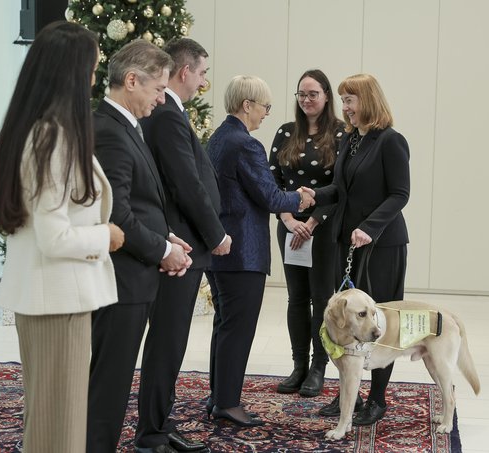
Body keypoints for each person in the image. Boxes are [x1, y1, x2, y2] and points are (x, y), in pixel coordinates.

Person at [0, 21, 125, 453]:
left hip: (52, 298)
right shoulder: (52, 137)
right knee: (58, 431)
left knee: (50, 423)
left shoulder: (41, 131)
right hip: (56, 300)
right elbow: (54, 237)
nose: (95, 80)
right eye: (93, 70)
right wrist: (107, 236)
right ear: (71, 73)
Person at [86, 40, 192, 453]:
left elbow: (137, 203)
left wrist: (165, 237)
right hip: (120, 281)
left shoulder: (125, 126)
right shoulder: (110, 131)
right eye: (157, 88)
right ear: (131, 81)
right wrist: (164, 252)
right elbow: (118, 216)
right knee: (106, 389)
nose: (162, 98)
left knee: (111, 385)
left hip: (132, 276)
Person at [135, 38, 227, 453]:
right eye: (203, 72)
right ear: (185, 71)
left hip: (180, 243)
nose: (204, 81)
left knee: (168, 340)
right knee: (167, 341)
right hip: (180, 246)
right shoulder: (168, 114)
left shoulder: (168, 111)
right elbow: (186, 184)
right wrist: (216, 234)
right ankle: (152, 432)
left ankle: (158, 423)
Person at [206, 75, 315, 427]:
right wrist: (299, 197)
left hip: (221, 247)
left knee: (224, 326)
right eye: (265, 106)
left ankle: (218, 397)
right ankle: (227, 402)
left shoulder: (219, 137)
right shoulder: (246, 144)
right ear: (246, 105)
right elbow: (269, 197)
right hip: (243, 252)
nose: (267, 113)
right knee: (238, 329)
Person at [311, 73, 410, 426]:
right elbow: (340, 188)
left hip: (382, 244)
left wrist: (369, 228)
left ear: (367, 100)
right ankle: (348, 394)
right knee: (349, 319)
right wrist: (315, 195)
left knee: (379, 320)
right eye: (344, 100)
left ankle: (378, 399)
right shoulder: (351, 140)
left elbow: (400, 194)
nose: (345, 108)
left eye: (350, 100)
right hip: (347, 241)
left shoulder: (391, 141)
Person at [270, 69, 345, 398]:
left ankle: (318, 367)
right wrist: (288, 220)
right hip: (289, 226)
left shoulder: (342, 134)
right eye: (301, 94)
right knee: (296, 299)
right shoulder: (286, 132)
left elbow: (341, 187)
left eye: (313, 93)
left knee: (322, 300)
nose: (307, 99)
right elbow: (271, 182)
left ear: (326, 96)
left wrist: (312, 222)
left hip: (323, 228)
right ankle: (298, 365)